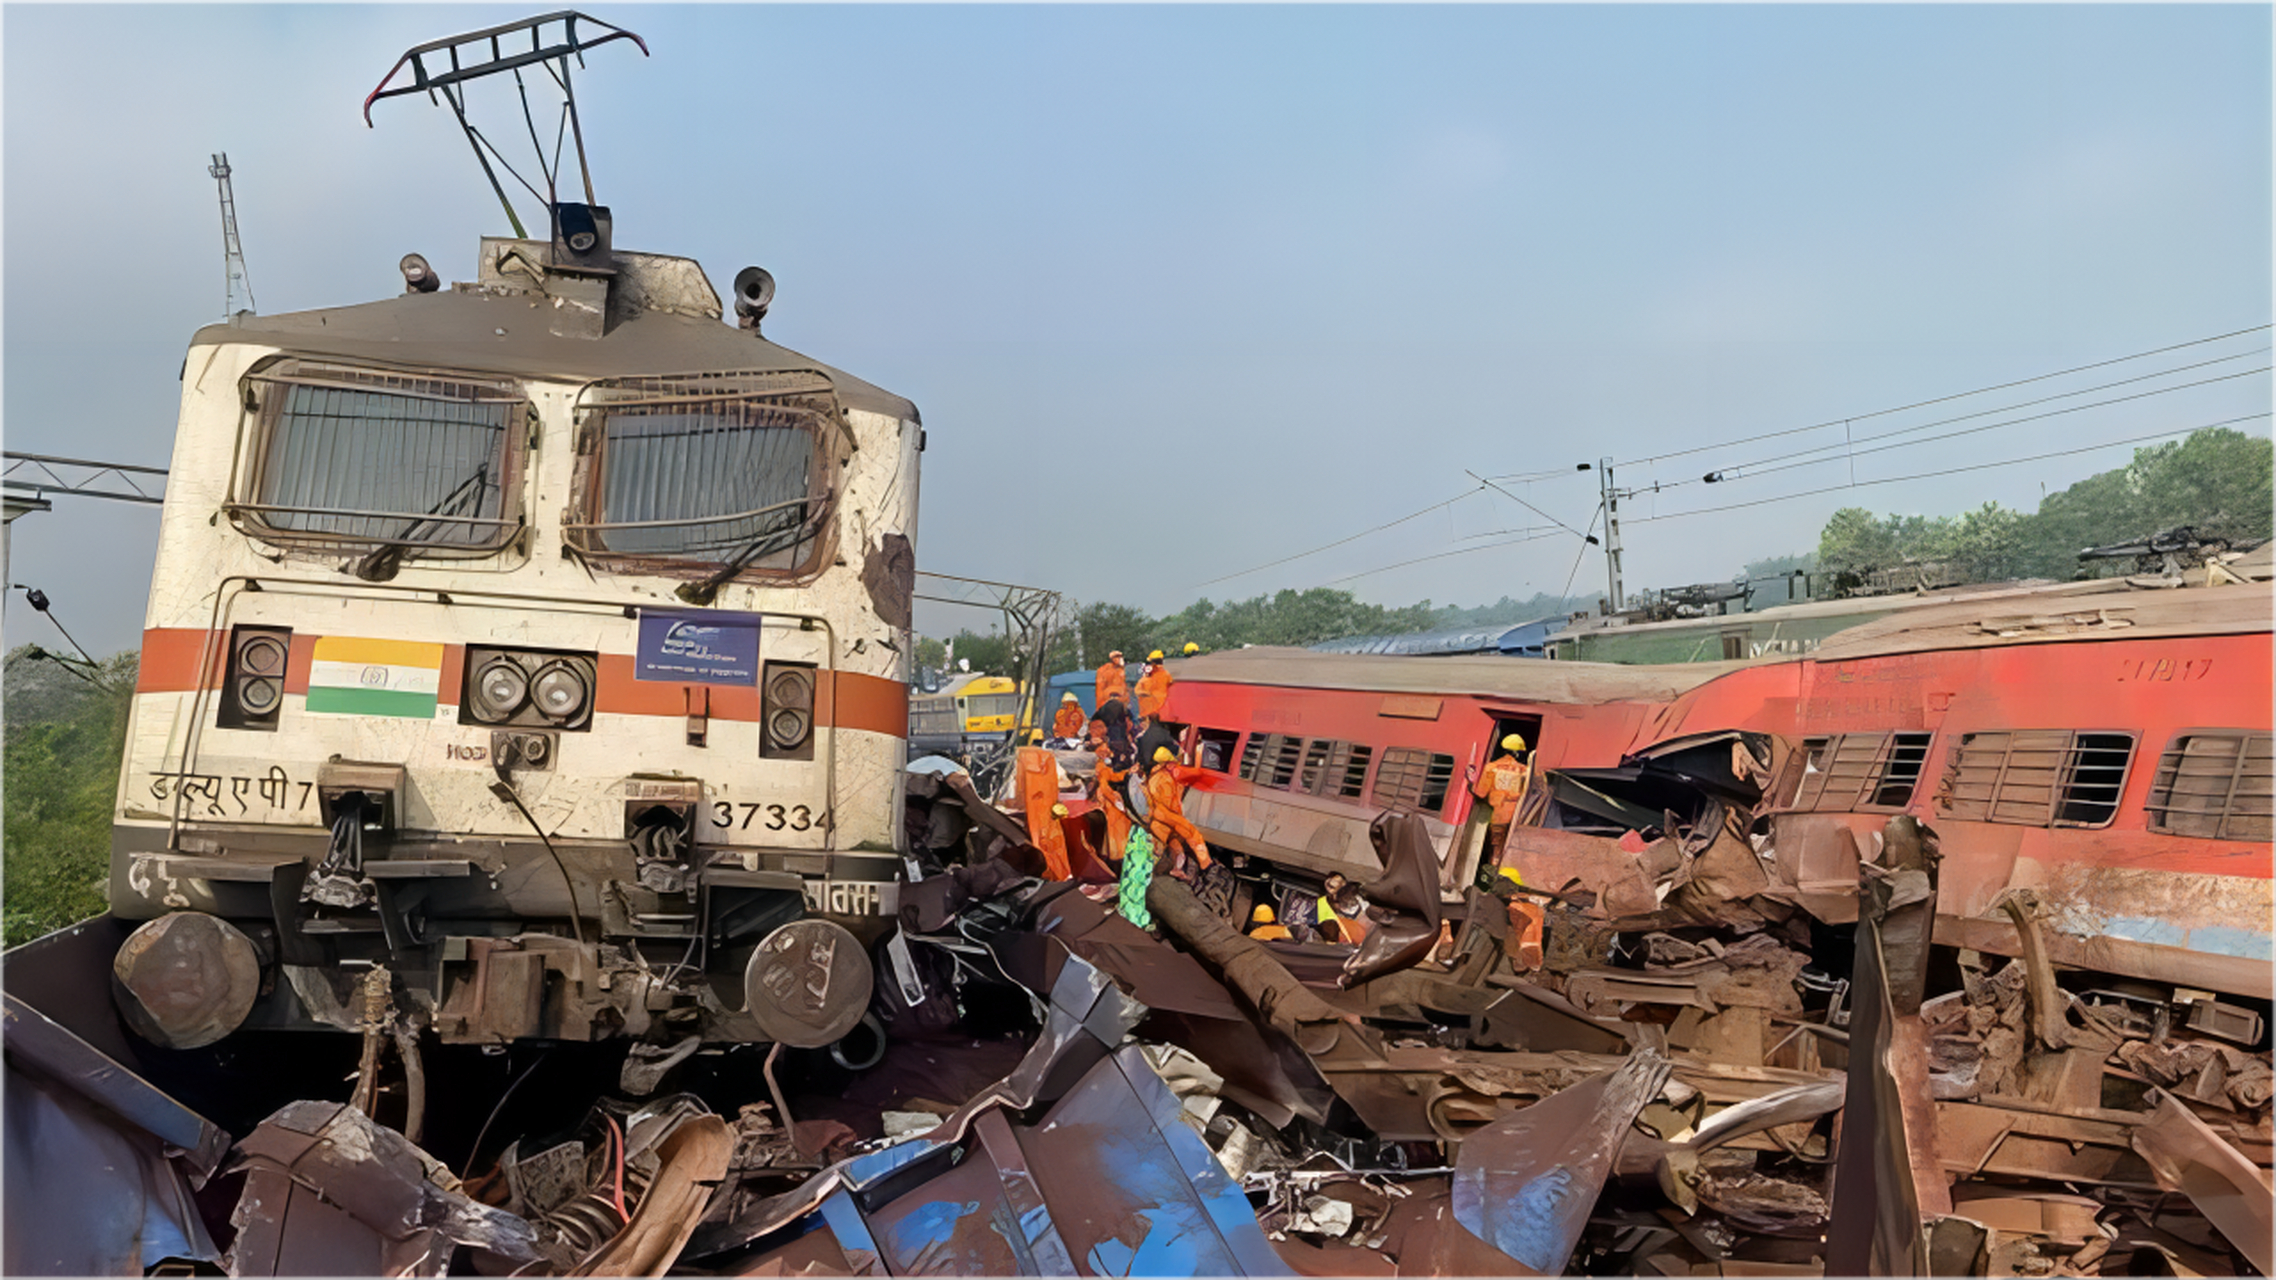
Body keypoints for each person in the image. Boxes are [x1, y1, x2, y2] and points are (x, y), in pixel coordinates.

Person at [1144, 745, 1213, 876]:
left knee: (1174, 841)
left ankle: (1177, 868)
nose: (1176, 764)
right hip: (1166, 814)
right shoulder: (1164, 779)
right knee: (1192, 834)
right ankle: (1207, 866)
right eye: (1173, 762)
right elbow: (1170, 804)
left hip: (1159, 818)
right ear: (1166, 763)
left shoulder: (1158, 775)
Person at [1469, 733, 1532, 862]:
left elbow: (1481, 792)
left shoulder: (1491, 768)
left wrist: (1470, 782)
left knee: (1495, 849)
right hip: (1519, 817)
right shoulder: (1525, 771)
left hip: (1497, 816)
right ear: (1518, 753)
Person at [1135, 650, 1173, 721]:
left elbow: (1137, 691)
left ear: (1153, 662)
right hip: (1158, 713)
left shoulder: (1162, 675)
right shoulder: (1167, 675)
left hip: (1152, 713)